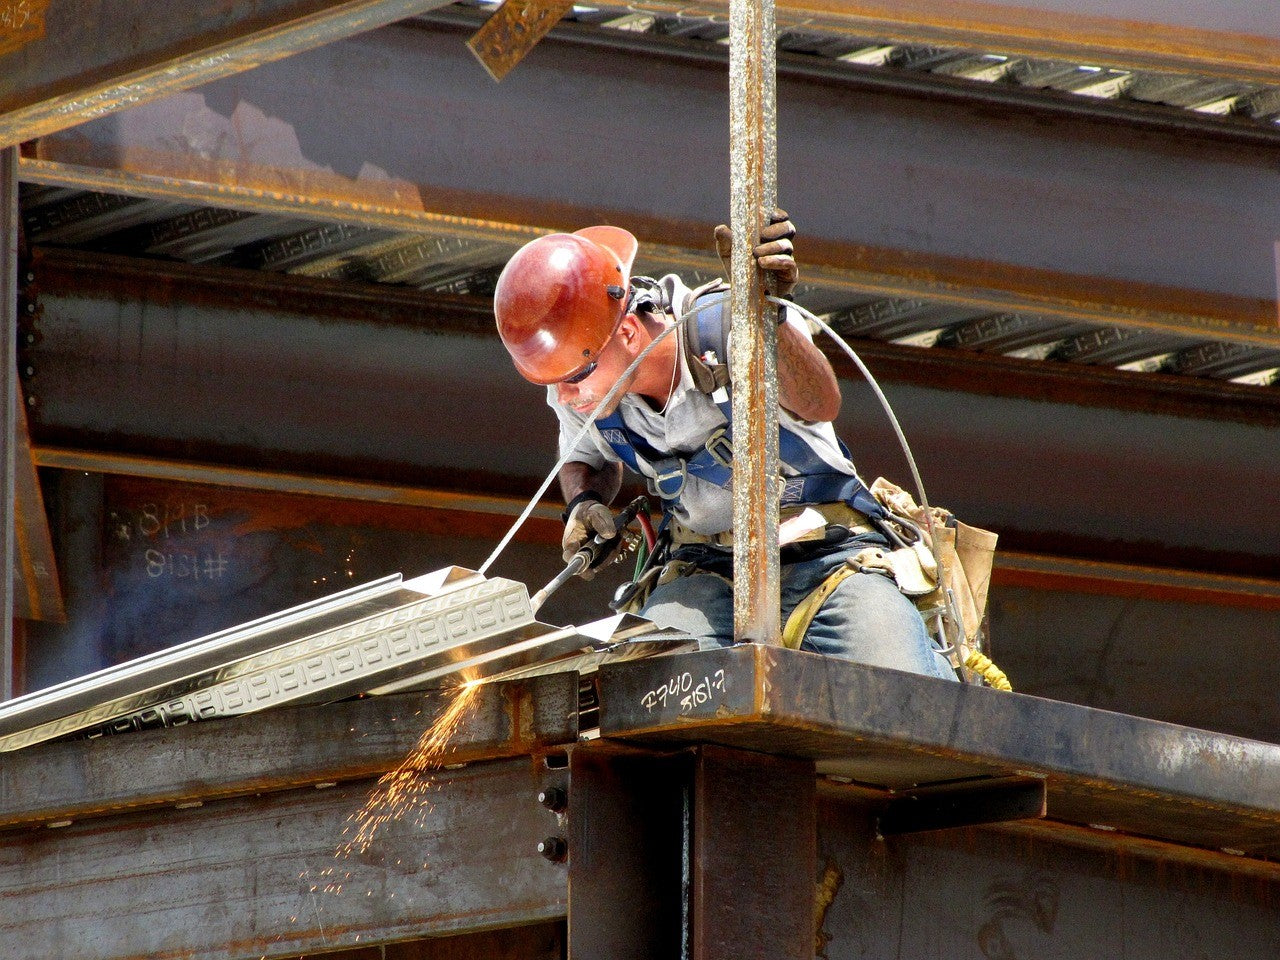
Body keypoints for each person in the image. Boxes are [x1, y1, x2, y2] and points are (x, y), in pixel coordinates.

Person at [492, 216, 956, 680]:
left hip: (826, 555)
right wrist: (584, 502)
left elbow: (821, 402)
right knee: (647, 690)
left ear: (628, 333)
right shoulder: (582, 379)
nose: (567, 396)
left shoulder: (732, 326)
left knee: (904, 693)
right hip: (702, 569)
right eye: (553, 383)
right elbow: (587, 456)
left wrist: (767, 321)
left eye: (573, 379)